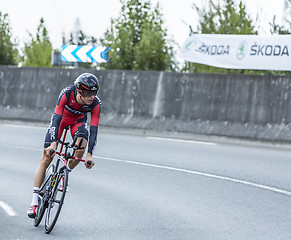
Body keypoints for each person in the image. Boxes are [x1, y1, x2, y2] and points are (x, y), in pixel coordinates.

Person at [27, 73, 101, 218]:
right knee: (46, 157)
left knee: (81, 145)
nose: (91, 96)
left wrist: (89, 155)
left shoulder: (95, 103)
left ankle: (64, 172)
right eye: (88, 93)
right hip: (61, 121)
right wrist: (54, 144)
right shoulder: (67, 93)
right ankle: (34, 201)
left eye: (94, 92)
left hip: (78, 122)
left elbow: (94, 129)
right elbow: (56, 119)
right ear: (79, 90)